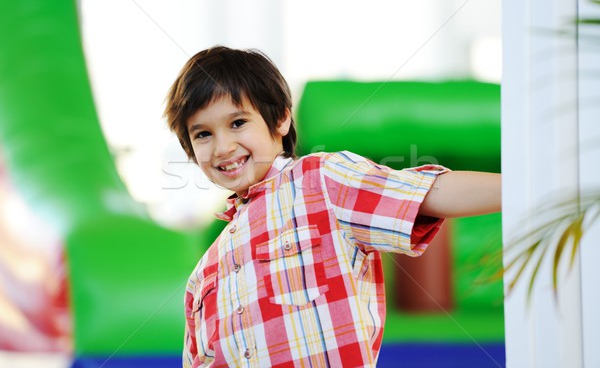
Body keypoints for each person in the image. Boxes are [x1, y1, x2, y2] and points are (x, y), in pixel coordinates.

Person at [164, 46, 501, 368]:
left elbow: (428, 193)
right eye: (203, 134)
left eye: (237, 123)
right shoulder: (205, 273)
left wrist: (528, 189)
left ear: (280, 118)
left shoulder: (321, 182)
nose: (222, 146)